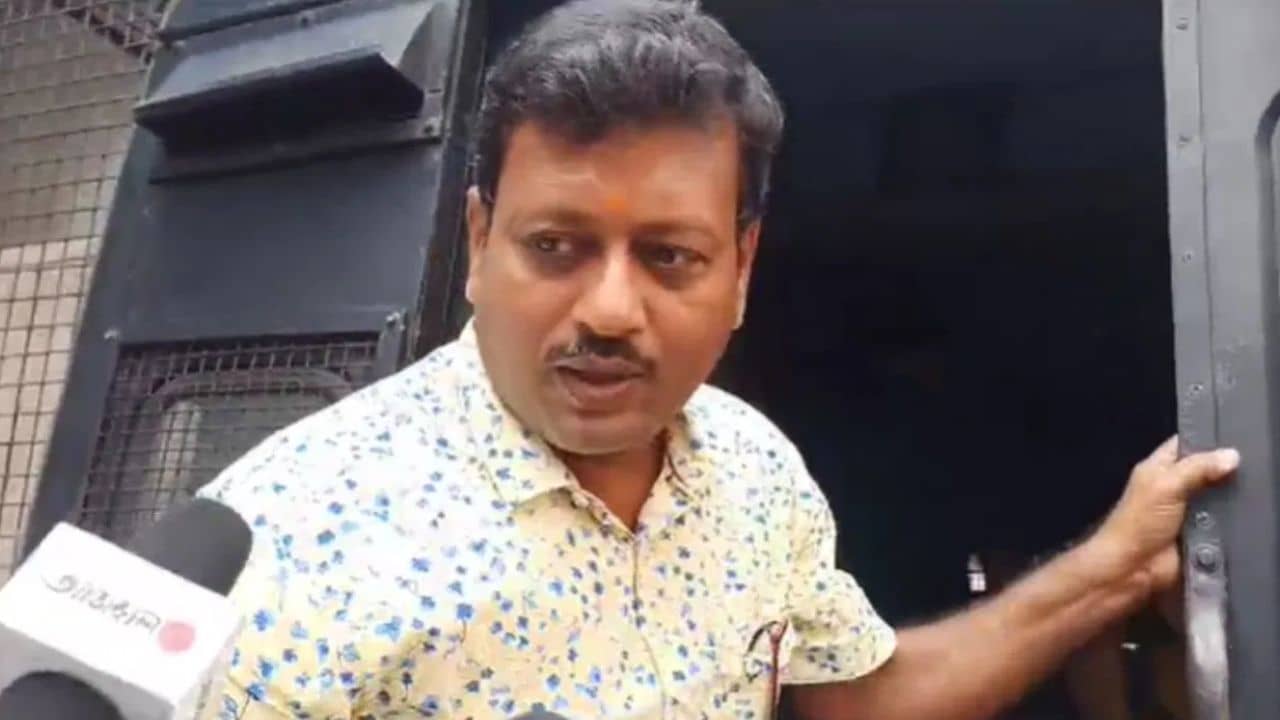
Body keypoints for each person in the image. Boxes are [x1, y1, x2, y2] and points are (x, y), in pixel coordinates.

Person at [195, 2, 1238, 719]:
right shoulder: (282, 544)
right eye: (555, 246)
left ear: (739, 270)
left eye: (669, 257)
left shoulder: (754, 469)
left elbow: (855, 699)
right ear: (478, 243)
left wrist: (1110, 565)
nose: (610, 310)